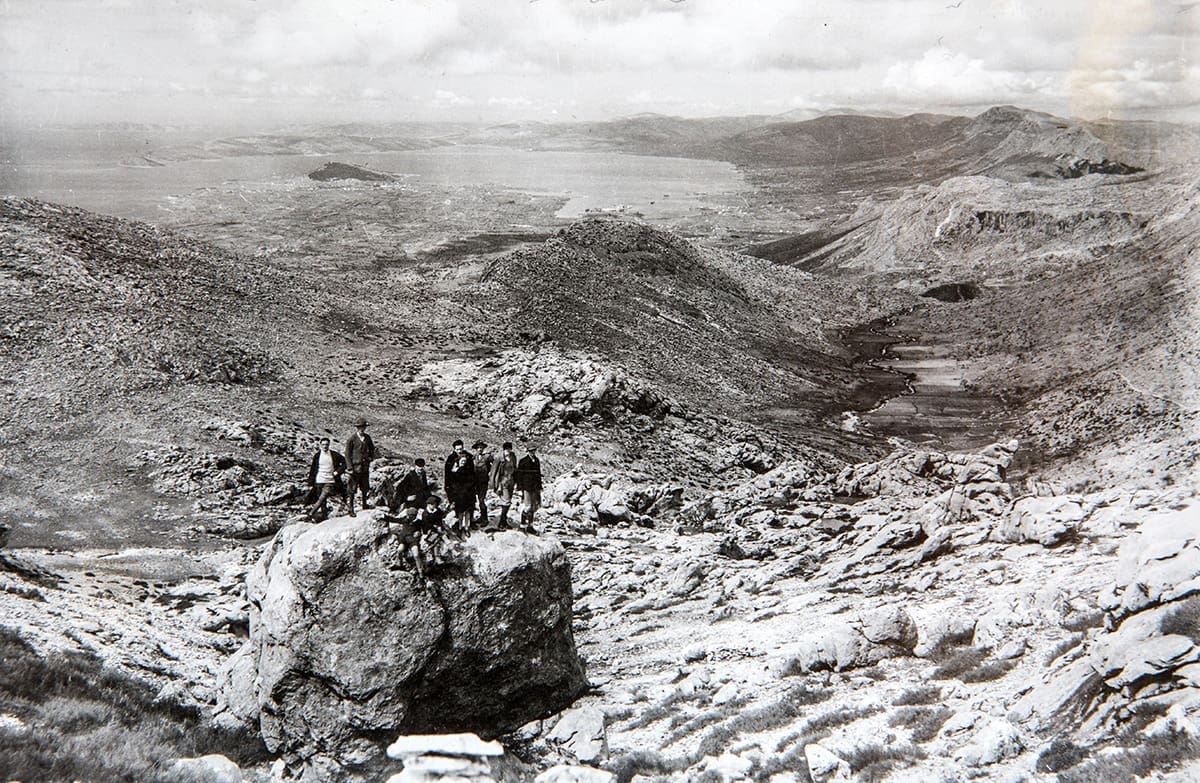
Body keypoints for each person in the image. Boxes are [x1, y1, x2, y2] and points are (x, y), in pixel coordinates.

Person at [306, 437, 349, 521]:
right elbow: (313, 469)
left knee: (322, 497)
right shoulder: (317, 455)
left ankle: (311, 513)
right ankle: (324, 515)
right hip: (319, 480)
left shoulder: (334, 454)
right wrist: (310, 481)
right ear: (320, 445)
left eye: (326, 444)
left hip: (330, 480)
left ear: (329, 445)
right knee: (322, 500)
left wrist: (337, 472)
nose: (325, 446)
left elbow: (345, 462)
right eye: (323, 444)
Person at [443, 440, 476, 537]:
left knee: (468, 510)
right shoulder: (450, 459)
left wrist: (470, 487)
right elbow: (448, 477)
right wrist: (449, 490)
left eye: (461, 449)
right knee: (459, 510)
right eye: (457, 449)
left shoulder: (468, 457)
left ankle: (467, 527)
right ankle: (459, 527)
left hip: (468, 490)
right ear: (454, 449)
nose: (459, 451)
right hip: (457, 491)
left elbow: (472, 475)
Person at [344, 417, 375, 514]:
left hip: (364, 467)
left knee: (365, 487)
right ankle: (351, 509)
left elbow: (372, 449)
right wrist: (349, 467)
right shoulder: (352, 439)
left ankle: (364, 504)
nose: (362, 429)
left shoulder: (367, 438)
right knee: (352, 489)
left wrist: (370, 458)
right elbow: (347, 454)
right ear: (357, 428)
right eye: (360, 427)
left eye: (363, 427)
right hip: (355, 468)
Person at [488, 441, 518, 531]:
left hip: (511, 481)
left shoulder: (513, 457)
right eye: (506, 449)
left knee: (508, 502)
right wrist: (493, 485)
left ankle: (504, 520)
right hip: (502, 482)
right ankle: (501, 522)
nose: (508, 451)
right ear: (503, 450)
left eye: (509, 449)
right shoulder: (499, 458)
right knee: (506, 501)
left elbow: (515, 468)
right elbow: (493, 472)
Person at [515, 443, 543, 533]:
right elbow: (519, 476)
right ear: (528, 451)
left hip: (535, 487)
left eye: (534, 450)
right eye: (531, 451)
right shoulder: (523, 461)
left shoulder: (537, 460)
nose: (532, 452)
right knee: (528, 506)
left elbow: (538, 474)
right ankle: (522, 525)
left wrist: (540, 486)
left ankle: (530, 526)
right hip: (527, 487)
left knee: (534, 507)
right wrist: (519, 488)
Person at [472, 440, 494, 529]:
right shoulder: (474, 457)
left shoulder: (487, 457)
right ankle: (480, 517)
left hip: (483, 482)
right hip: (475, 482)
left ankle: (485, 519)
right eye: (478, 448)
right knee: (475, 500)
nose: (480, 449)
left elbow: (495, 465)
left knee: (481, 500)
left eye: (481, 447)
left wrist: (490, 474)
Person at [419, 495, 449, 561]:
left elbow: (439, 520)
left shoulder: (437, 510)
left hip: (437, 528)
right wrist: (435, 529)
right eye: (431, 504)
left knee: (443, 537)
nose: (433, 505)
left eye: (434, 504)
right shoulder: (425, 513)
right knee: (433, 540)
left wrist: (440, 526)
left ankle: (452, 550)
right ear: (428, 504)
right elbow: (427, 525)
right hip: (428, 530)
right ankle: (433, 557)